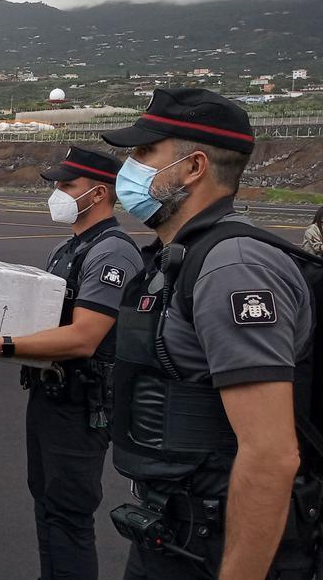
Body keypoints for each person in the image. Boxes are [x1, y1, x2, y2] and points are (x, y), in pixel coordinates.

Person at [100, 88, 316, 579]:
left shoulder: (233, 267)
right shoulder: (178, 257)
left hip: (216, 542)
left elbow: (271, 455)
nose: (128, 166)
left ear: (193, 167)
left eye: (143, 153)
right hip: (173, 530)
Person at [0, 146, 142, 580]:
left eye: (68, 185)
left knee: (69, 512)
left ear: (99, 193)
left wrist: (5, 345)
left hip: (82, 403)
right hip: (51, 394)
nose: (57, 193)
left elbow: (85, 337)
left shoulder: (112, 254)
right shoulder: (70, 248)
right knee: (48, 502)